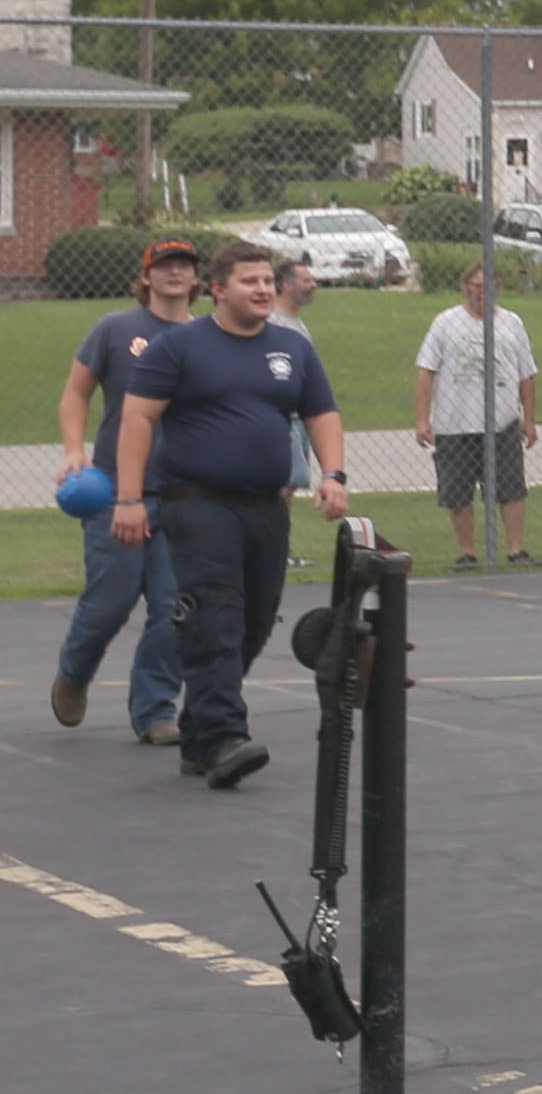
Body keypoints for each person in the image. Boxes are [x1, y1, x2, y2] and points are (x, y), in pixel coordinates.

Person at [109, 240, 350, 788]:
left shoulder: (292, 349)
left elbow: (321, 412)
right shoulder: (179, 348)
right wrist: (127, 499)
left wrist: (333, 475)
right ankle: (223, 739)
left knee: (255, 621)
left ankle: (198, 732)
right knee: (213, 615)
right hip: (197, 503)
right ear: (217, 289)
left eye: (268, 281)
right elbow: (138, 421)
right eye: (250, 281)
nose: (263, 290)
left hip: (267, 507)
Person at [48, 237, 196, 745]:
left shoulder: (206, 338)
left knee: (173, 606)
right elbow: (76, 392)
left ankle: (155, 710)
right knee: (110, 603)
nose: (175, 274)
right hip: (115, 491)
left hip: (180, 495)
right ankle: (74, 672)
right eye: (165, 266)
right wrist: (74, 449)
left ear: (198, 280)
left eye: (184, 266)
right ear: (146, 275)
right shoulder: (116, 330)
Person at [415, 265, 541, 570]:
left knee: (510, 489)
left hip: (501, 421)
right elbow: (426, 371)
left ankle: (515, 550)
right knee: (458, 493)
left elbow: (526, 375)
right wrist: (423, 419)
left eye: (488, 286)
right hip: (454, 423)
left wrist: (529, 419)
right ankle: (468, 552)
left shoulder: (512, 323)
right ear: (464, 287)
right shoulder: (445, 323)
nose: (481, 291)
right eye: (476, 285)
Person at [269, 259, 320, 509]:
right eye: (307, 280)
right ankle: (271, 542)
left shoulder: (296, 323)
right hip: (283, 416)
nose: (313, 285)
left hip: (300, 415)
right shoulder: (273, 323)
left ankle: (279, 544)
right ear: (287, 285)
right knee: (283, 483)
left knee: (291, 484)